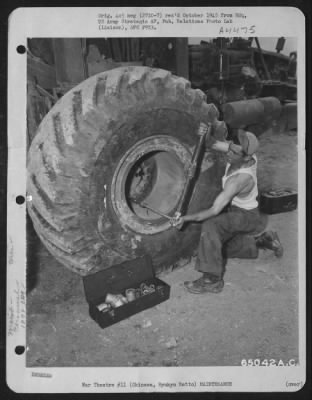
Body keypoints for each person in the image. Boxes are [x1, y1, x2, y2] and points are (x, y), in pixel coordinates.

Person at [172, 125, 283, 294]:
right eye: (230, 149)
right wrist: (204, 133)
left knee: (211, 226)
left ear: (246, 158)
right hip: (235, 210)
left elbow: (215, 210)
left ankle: (212, 280)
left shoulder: (240, 179)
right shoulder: (240, 152)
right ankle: (262, 241)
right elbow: (213, 144)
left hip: (247, 216)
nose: (229, 153)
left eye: (233, 153)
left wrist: (185, 218)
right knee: (215, 248)